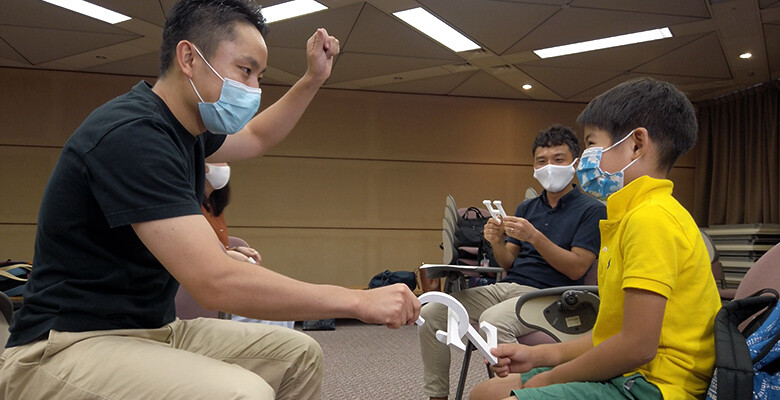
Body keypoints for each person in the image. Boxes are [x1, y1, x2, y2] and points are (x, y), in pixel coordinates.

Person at [0, 1, 420, 399]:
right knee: (242, 393)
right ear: (189, 59)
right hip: (64, 344)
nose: (254, 89)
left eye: (259, 76)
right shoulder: (132, 134)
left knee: (298, 355)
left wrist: (312, 79)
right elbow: (214, 282)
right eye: (246, 70)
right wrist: (358, 298)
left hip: (152, 329)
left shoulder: (186, 131)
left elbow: (256, 136)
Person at [470, 77, 722, 400]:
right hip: (629, 373)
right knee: (484, 393)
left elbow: (636, 346)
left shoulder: (651, 219)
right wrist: (538, 357)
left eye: (591, 144)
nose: (586, 157)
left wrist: (547, 380)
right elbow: (609, 334)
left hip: (653, 386)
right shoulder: (628, 216)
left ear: (637, 144)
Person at [419, 125, 606, 400]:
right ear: (533, 166)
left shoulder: (591, 210)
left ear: (574, 164)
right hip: (510, 287)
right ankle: (437, 397)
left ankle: (514, 395)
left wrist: (535, 236)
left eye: (558, 159)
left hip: (552, 295)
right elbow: (508, 262)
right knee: (433, 312)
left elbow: (577, 267)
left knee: (493, 320)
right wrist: (495, 240)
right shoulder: (527, 208)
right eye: (542, 161)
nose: (549, 167)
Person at [202, 162, 261, 263]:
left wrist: (236, 251)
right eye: (218, 160)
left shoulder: (215, 205)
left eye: (226, 161)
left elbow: (218, 247)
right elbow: (191, 252)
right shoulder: (190, 206)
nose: (225, 165)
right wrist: (229, 255)